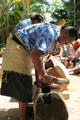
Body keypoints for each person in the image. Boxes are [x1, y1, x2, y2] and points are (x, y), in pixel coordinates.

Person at [1, 23, 78, 120]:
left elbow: (40, 59)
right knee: (23, 86)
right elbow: (36, 56)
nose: (66, 44)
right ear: (65, 32)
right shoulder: (51, 33)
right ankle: (22, 118)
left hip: (23, 49)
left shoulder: (54, 35)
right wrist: (45, 76)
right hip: (18, 48)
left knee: (25, 86)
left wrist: (39, 79)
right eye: (68, 41)